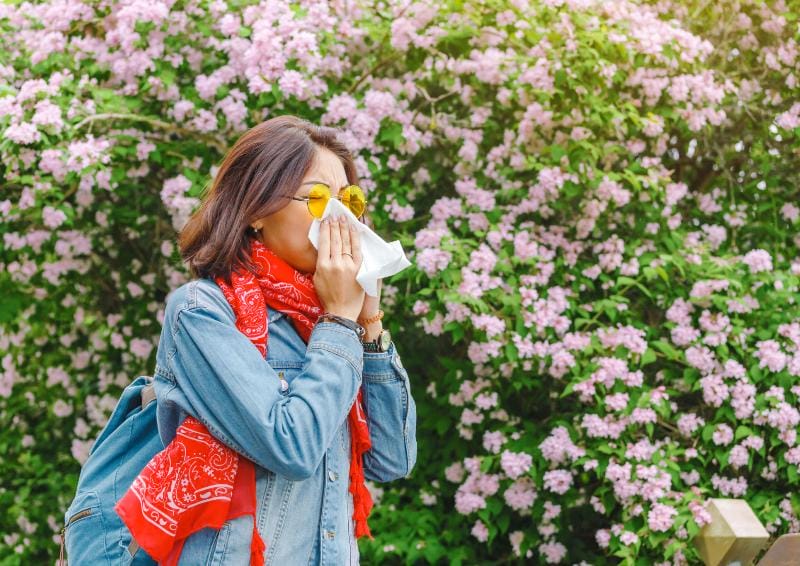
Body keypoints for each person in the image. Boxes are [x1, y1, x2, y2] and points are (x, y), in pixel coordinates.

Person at [129, 115, 417, 565]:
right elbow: (291, 446)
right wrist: (340, 321)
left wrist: (369, 320)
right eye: (318, 198)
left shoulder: (329, 323)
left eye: (349, 200)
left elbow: (392, 460)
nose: (341, 217)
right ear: (257, 211)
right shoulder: (203, 312)